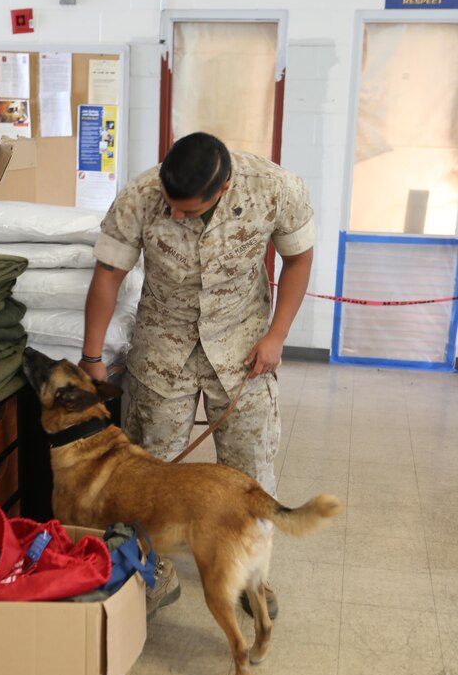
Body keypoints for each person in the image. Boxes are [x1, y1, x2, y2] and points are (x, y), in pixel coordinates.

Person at [79, 132, 314, 621]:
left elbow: (299, 258)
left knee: (250, 477)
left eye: (187, 210)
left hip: (244, 348)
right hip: (163, 348)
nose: (176, 216)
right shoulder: (140, 197)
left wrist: (277, 336)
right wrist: (92, 356)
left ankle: (251, 580)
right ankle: (147, 573)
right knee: (146, 474)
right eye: (171, 207)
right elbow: (107, 276)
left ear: (224, 186)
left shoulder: (274, 188)